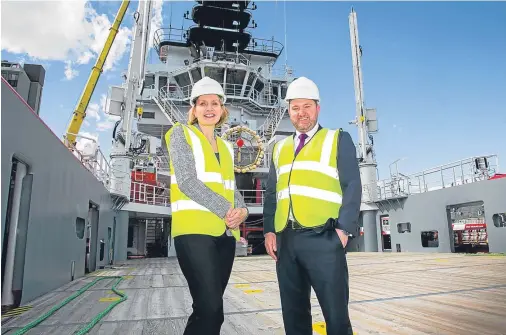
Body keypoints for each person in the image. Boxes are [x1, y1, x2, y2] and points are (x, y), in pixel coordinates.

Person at [263, 77, 362, 335]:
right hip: (286, 240)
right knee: (294, 317)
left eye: (307, 106)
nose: (301, 113)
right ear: (288, 111)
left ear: (318, 108)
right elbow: (272, 193)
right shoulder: (278, 148)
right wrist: (269, 231)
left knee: (336, 317)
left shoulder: (337, 139)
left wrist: (343, 232)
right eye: (295, 108)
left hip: (325, 237)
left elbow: (352, 186)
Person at [165, 76, 249, 335]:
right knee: (210, 308)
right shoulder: (180, 134)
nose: (209, 108)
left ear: (223, 109)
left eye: (215, 103)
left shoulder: (225, 146)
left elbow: (230, 186)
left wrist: (243, 211)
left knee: (209, 310)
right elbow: (187, 181)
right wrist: (228, 211)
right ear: (194, 109)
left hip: (225, 236)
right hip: (193, 232)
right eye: (203, 103)